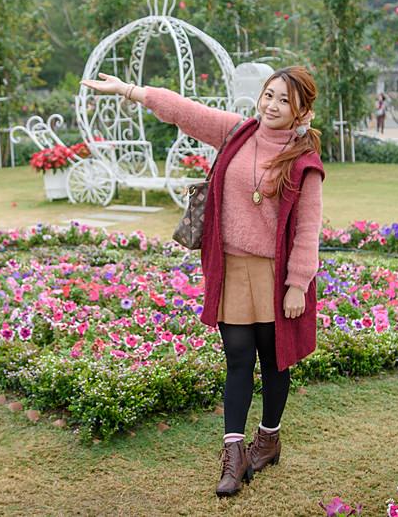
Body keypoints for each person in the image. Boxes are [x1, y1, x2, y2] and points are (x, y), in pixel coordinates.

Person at [81, 66, 325, 498]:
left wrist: (296, 284)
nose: (272, 106)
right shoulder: (236, 132)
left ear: (301, 110)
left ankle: (268, 440)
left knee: (274, 360)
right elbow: (183, 111)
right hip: (230, 268)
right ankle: (234, 454)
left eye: (285, 100)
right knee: (236, 358)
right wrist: (129, 90)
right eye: (269, 95)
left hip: (274, 275)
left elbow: (307, 229)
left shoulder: (304, 161)